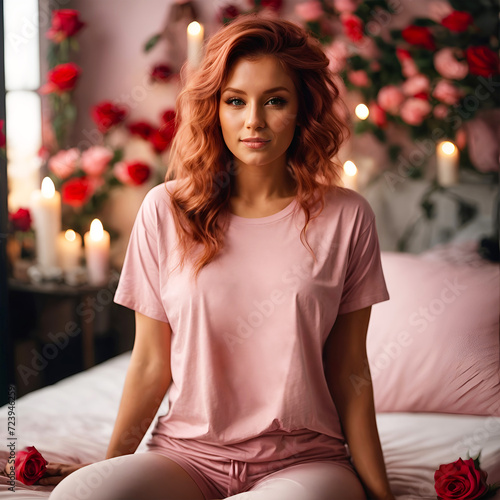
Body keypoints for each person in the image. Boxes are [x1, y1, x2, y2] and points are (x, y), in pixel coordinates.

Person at [46, 14, 394, 500]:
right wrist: (108, 471)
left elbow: (349, 368)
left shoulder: (347, 217)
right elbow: (150, 363)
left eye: (275, 100)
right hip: (188, 456)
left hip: (305, 463)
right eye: (236, 101)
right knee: (78, 498)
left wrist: (381, 493)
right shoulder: (164, 210)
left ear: (302, 110)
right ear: (215, 109)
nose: (254, 121)